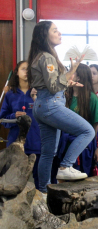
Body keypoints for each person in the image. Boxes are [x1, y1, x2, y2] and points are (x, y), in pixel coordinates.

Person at [28, 21, 94, 192]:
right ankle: (65, 167)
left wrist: (67, 81)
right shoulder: (48, 57)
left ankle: (43, 192)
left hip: (43, 105)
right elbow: (53, 87)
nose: (59, 33)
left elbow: (51, 85)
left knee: (48, 153)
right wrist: (73, 70)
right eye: (55, 30)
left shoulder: (39, 56)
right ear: (45, 35)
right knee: (88, 131)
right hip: (51, 104)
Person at [0, 61, 42, 189]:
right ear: (17, 72)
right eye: (24, 69)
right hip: (16, 146)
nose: (27, 72)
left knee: (40, 181)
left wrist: (37, 98)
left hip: (38, 143)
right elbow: (2, 119)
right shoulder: (10, 94)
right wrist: (14, 116)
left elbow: (49, 116)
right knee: (13, 182)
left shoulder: (39, 93)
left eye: (29, 69)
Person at [57, 63, 98, 176]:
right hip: (64, 143)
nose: (69, 74)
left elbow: (96, 126)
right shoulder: (64, 94)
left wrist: (97, 147)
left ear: (79, 77)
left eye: (73, 72)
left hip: (83, 145)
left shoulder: (92, 98)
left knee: (82, 175)